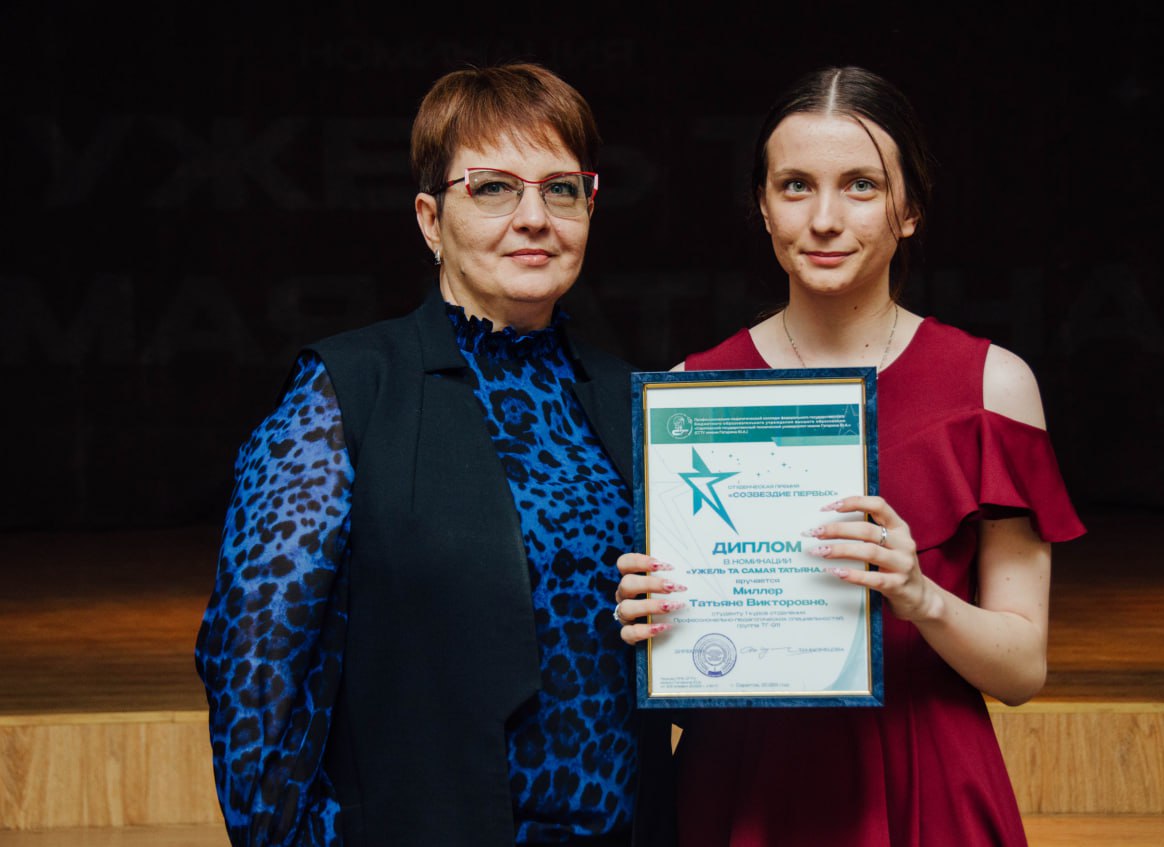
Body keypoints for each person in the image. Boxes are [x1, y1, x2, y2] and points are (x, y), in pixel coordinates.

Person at [195, 63, 672, 847]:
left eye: (561, 189)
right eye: (493, 188)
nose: (534, 217)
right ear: (430, 218)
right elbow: (256, 678)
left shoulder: (631, 397)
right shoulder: (344, 392)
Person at [614, 66, 1085, 846]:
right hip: (741, 786)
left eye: (861, 185)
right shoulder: (691, 390)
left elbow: (1022, 671)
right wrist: (654, 623)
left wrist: (922, 596)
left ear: (910, 210)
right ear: (763, 206)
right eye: (796, 186)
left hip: (924, 779)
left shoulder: (991, 386)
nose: (825, 219)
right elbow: (690, 677)